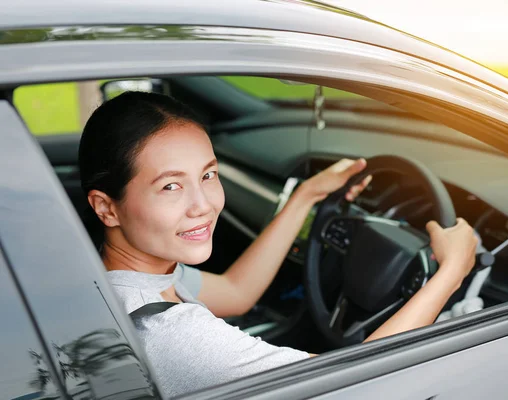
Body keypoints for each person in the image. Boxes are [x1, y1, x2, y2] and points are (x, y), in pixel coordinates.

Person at [79, 91, 478, 397]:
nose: (203, 205)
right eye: (170, 186)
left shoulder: (130, 278)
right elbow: (352, 385)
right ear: (106, 208)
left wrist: (307, 196)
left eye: (208, 174)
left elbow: (237, 293)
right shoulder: (170, 333)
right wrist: (449, 274)